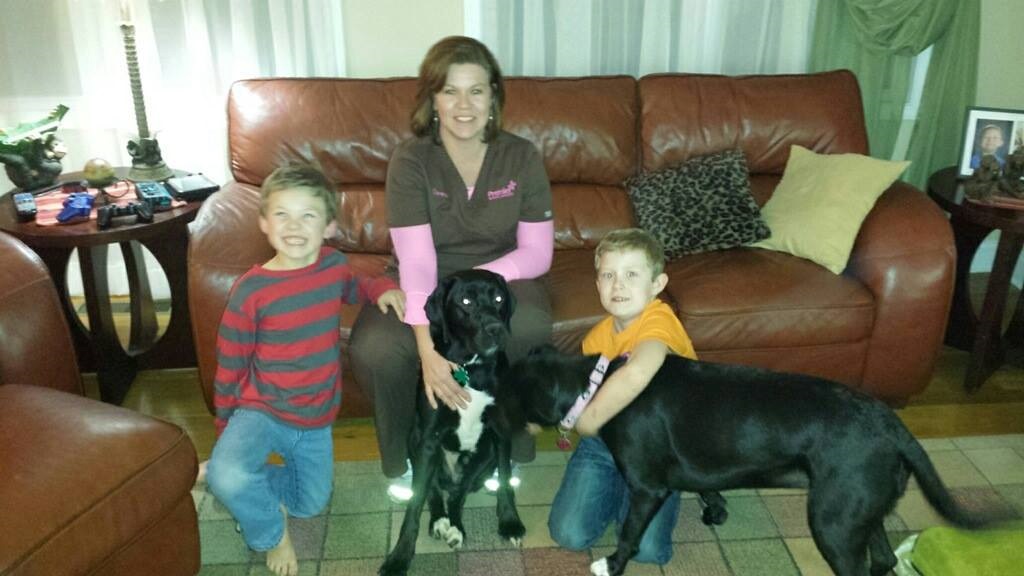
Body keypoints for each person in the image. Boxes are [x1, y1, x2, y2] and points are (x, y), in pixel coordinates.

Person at [348, 35, 555, 502]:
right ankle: (404, 459)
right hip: (422, 276)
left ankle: (507, 449)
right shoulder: (411, 160)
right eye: (450, 91)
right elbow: (418, 261)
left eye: (476, 91)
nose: (464, 105)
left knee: (528, 326)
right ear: (433, 99)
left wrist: (473, 286)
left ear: (494, 96)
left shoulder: (521, 156)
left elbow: (538, 253)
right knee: (379, 348)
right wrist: (427, 349)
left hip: (503, 275)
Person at [205, 164, 405, 576]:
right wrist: (225, 427)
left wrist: (382, 289)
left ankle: (238, 481)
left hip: (315, 418)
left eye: (308, 215)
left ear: (329, 226)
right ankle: (269, 533)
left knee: (308, 505)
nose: (294, 226)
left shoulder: (332, 266)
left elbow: (357, 285)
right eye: (282, 214)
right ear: (264, 222)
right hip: (260, 410)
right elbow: (230, 364)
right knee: (230, 473)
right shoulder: (251, 291)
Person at [547, 228, 697, 565]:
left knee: (647, 552)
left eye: (631, 275)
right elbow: (583, 390)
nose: (618, 285)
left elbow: (639, 371)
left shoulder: (659, 319)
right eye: (608, 275)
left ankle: (662, 485)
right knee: (568, 534)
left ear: (657, 284)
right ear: (597, 284)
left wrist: (588, 420)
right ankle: (619, 484)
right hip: (605, 443)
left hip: (658, 449)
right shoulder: (594, 339)